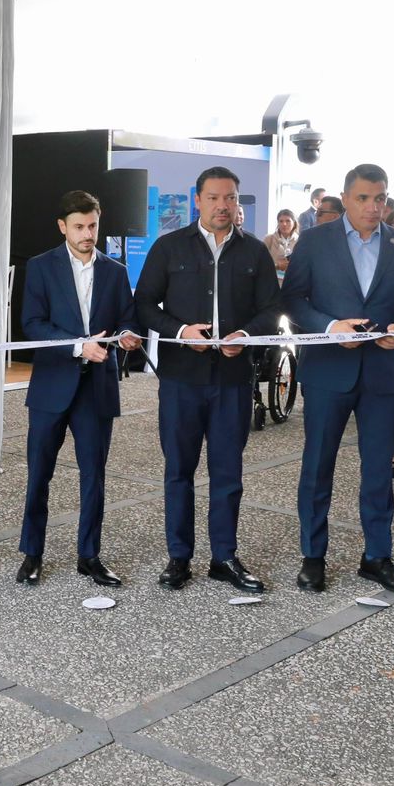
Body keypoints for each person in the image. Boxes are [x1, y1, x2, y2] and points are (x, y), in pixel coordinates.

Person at [281, 163, 394, 593]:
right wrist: (331, 328)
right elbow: (293, 299)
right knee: (317, 466)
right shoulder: (314, 240)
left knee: (379, 469)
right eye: (363, 198)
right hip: (329, 371)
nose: (372, 206)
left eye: (379, 198)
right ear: (345, 198)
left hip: (383, 374)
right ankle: (313, 556)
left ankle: (376, 556)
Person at [135, 167, 280, 593]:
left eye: (230, 198)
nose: (223, 205)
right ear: (197, 200)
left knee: (228, 472)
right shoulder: (169, 247)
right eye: (214, 197)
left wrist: (247, 334)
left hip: (233, 380)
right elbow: (144, 304)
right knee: (179, 470)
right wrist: (181, 331)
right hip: (181, 378)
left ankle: (224, 557)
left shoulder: (254, 252)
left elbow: (272, 309)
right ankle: (178, 557)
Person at [17, 190, 141, 587]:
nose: (87, 234)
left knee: (94, 476)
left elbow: (127, 319)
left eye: (92, 226)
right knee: (39, 474)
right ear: (62, 227)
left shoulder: (116, 272)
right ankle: (32, 553)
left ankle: (89, 556)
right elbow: (32, 324)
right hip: (52, 384)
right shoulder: (40, 267)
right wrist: (77, 346)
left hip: (97, 388)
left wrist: (128, 336)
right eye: (79, 227)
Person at [264, 209, 298, 274]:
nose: (284, 224)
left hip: (293, 278)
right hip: (273, 278)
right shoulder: (269, 239)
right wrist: (277, 266)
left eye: (288, 221)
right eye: (281, 221)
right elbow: (261, 263)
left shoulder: (300, 241)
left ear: (294, 223)